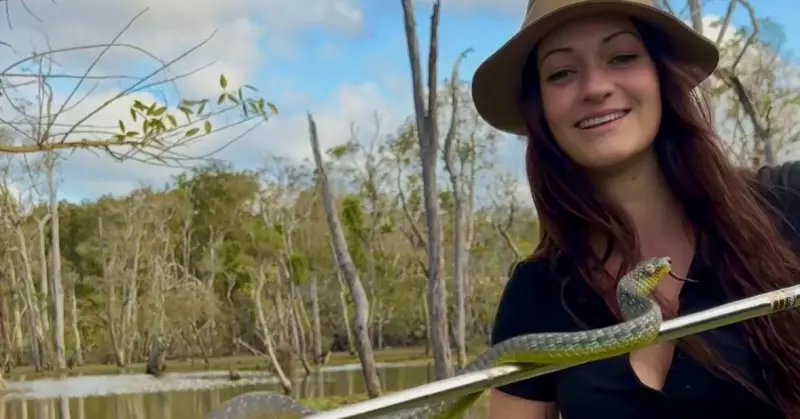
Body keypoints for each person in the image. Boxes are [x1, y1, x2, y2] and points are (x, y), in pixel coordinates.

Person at [469, 0, 800, 418]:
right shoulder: (538, 290)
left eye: (622, 57)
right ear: (541, 108)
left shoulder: (789, 200)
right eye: (561, 72)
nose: (594, 87)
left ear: (662, 76)